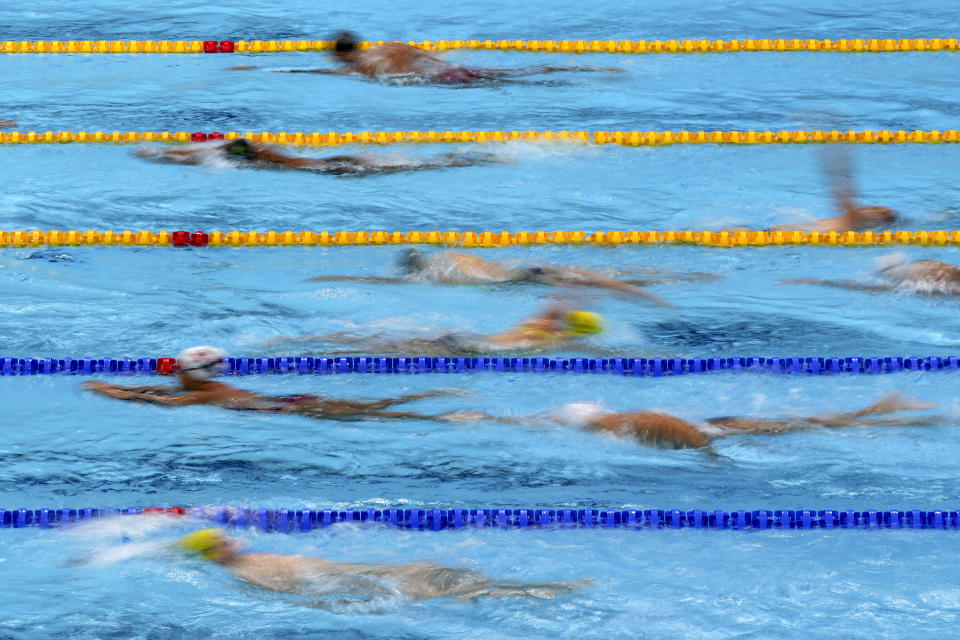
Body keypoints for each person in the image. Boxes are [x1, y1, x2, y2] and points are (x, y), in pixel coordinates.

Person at [83, 346, 471, 421]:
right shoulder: (206, 389)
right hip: (293, 402)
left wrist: (113, 395)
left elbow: (166, 403)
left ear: (192, 374)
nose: (171, 375)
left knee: (390, 416)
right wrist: (117, 388)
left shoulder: (206, 395)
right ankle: (433, 395)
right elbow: (160, 393)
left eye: (178, 369)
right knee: (376, 409)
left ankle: (450, 413)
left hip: (302, 408)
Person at [175, 528, 579, 601]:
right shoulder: (248, 572)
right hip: (359, 583)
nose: (230, 540)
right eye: (220, 542)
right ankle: (535, 590)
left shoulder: (250, 559)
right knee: (448, 586)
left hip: (361, 572)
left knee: (444, 575)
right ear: (216, 555)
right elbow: (300, 594)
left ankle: (526, 588)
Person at [447, 393, 937, 449]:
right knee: (806, 423)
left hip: (709, 429)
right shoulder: (609, 423)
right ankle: (881, 411)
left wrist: (720, 467)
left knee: (804, 428)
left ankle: (885, 413)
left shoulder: (633, 425)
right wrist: (485, 417)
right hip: (710, 422)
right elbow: (531, 422)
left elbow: (689, 438)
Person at [229, 31, 623, 85]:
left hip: (444, 81)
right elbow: (434, 57)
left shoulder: (358, 66)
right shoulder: (392, 46)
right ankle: (587, 66)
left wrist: (261, 67)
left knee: (511, 82)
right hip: (450, 69)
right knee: (516, 72)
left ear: (339, 54)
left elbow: (312, 71)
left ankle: (570, 72)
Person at [307, 249, 685, 303]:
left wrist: (342, 277)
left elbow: (388, 284)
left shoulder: (435, 275)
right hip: (526, 269)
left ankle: (652, 291)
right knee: (609, 276)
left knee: (609, 282)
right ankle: (680, 280)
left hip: (525, 277)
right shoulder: (449, 256)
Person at [266, 305, 606, 355]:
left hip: (458, 337)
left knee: (377, 342)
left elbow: (554, 306)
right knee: (377, 350)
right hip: (465, 348)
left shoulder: (540, 324)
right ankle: (307, 345)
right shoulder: (557, 341)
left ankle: (300, 339)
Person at [137, 138, 498, 175]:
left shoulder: (256, 157)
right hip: (334, 161)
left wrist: (162, 155)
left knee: (419, 167)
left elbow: (204, 154)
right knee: (417, 165)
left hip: (334, 169)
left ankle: (461, 159)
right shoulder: (264, 155)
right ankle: (460, 158)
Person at [783, 254, 960, 296]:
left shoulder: (940, 280)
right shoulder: (930, 286)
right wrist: (817, 282)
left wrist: (817, 282)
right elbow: (860, 286)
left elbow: (860, 286)